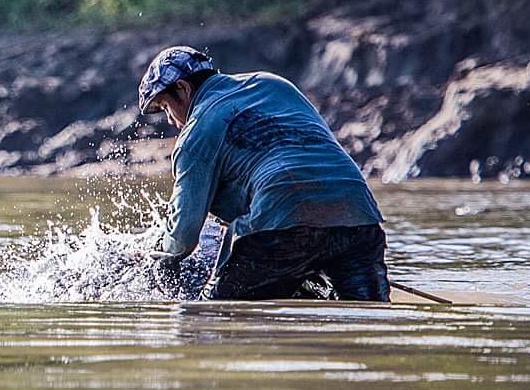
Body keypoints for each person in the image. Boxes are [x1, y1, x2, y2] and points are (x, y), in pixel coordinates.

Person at [139, 45, 390, 301]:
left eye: (165, 106)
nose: (170, 120)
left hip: (283, 220)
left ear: (183, 89)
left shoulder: (195, 134)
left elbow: (182, 238)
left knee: (213, 313)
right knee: (369, 317)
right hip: (359, 217)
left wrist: (157, 262)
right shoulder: (272, 83)